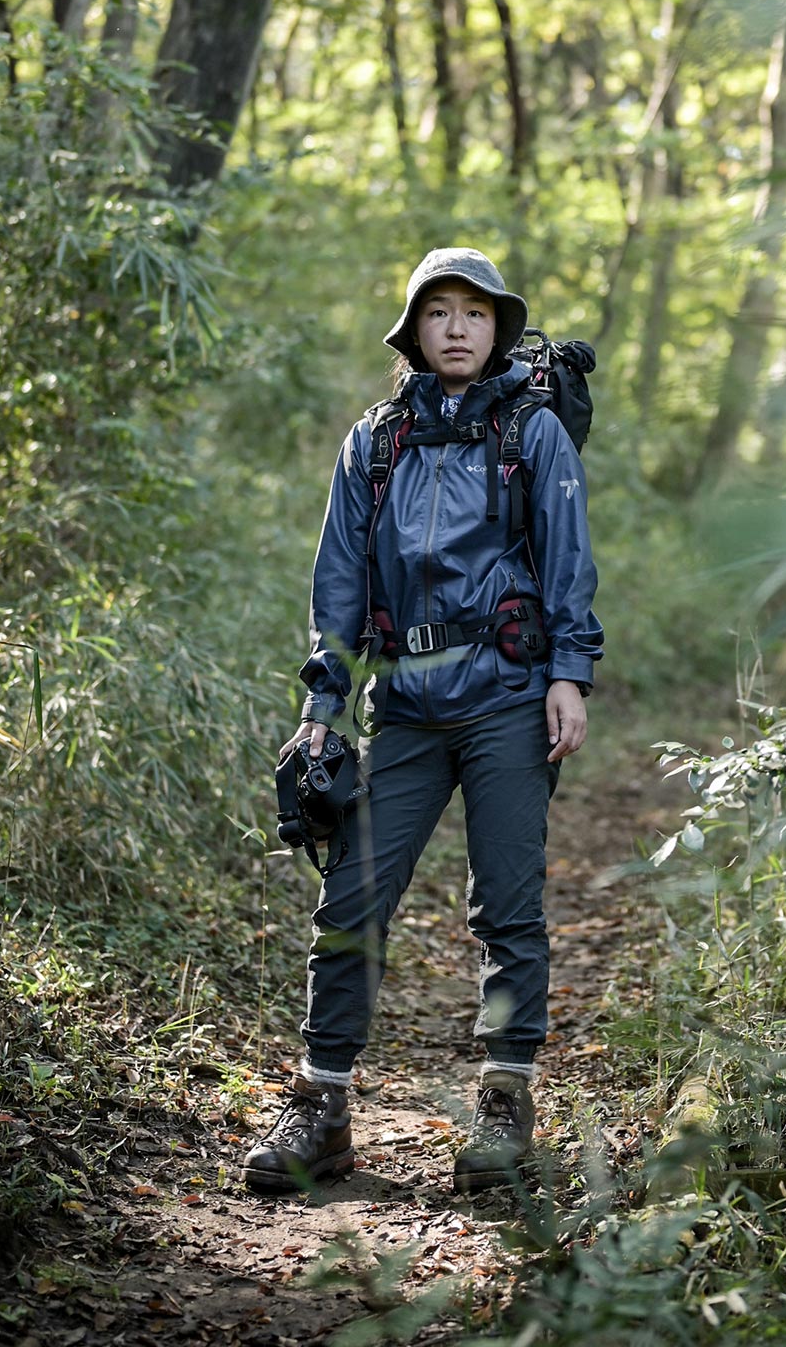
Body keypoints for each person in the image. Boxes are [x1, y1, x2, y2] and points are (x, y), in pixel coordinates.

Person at [244, 248, 603, 1194]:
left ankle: (503, 1101)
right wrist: (323, 709)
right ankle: (320, 1107)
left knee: (507, 907)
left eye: (474, 313)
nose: (456, 327)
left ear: (498, 331)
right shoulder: (376, 440)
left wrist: (572, 672)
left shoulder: (534, 434)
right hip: (400, 703)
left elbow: (568, 562)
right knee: (350, 900)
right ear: (413, 330)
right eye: (438, 311)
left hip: (509, 698)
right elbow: (340, 582)